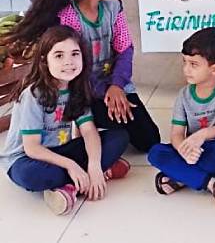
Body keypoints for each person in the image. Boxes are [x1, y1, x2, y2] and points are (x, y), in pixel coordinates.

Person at [0, 0, 160, 153]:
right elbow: (74, 67)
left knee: (150, 140)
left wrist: (117, 86)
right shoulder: (67, 17)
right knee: (105, 121)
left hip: (113, 86)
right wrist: (105, 92)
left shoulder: (114, 8)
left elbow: (125, 50)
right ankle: (84, 126)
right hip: (78, 87)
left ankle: (97, 126)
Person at [0, 25, 130, 215]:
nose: (68, 62)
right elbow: (32, 148)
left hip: (59, 151)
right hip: (27, 159)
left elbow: (88, 130)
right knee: (33, 176)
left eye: (75, 54)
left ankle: (78, 180)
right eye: (59, 55)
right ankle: (78, 181)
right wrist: (72, 165)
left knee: (119, 137)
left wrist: (93, 164)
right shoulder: (33, 95)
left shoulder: (77, 88)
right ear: (45, 61)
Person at [148, 27, 215, 207]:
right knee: (156, 153)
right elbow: (177, 134)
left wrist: (202, 135)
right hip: (194, 153)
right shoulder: (183, 95)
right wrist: (184, 150)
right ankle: (211, 183)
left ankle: (181, 178)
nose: (186, 69)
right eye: (184, 62)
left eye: (193, 64)